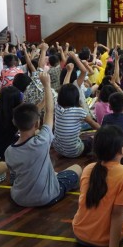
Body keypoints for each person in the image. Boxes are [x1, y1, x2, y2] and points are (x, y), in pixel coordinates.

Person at [6, 72, 82, 207]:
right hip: (47, 197)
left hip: (18, 198)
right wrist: (47, 85)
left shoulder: (9, 151)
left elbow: (13, 177)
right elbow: (49, 111)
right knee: (77, 168)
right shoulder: (41, 142)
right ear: (36, 125)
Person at [53, 84, 100, 158]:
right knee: (90, 141)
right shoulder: (78, 111)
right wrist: (105, 131)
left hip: (57, 148)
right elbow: (93, 124)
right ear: (76, 98)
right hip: (74, 151)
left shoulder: (57, 106)